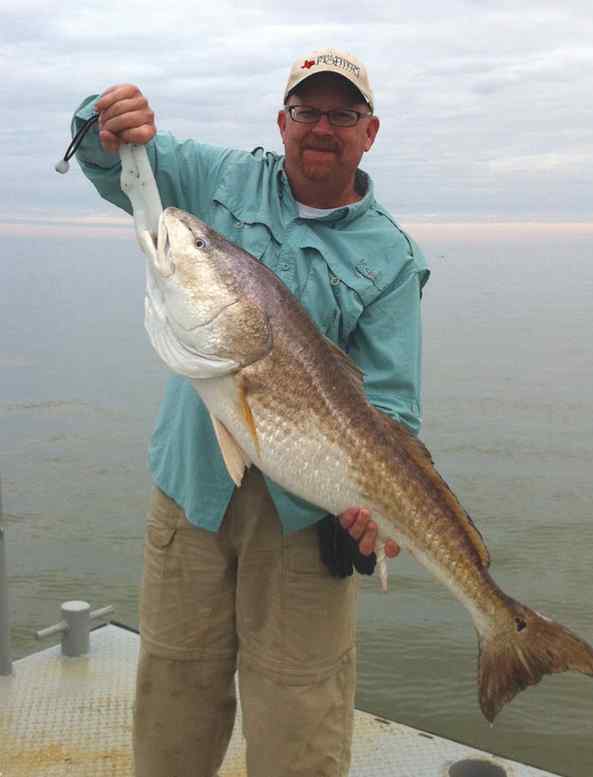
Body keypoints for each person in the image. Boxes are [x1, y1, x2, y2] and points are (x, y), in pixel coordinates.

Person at [71, 48, 429, 777]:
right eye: (306, 110)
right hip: (191, 496)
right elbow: (124, 169)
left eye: (342, 113)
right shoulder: (221, 178)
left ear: (371, 131)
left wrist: (370, 513)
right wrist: (103, 117)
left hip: (307, 520)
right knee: (173, 701)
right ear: (282, 120)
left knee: (300, 728)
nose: (321, 126)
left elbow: (392, 405)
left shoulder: (389, 257)